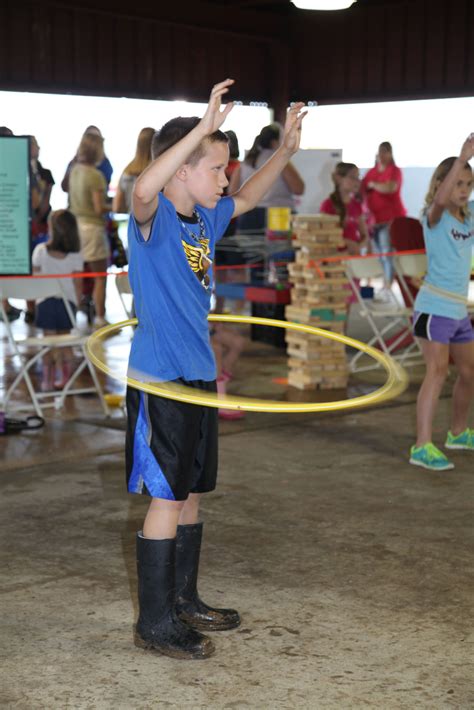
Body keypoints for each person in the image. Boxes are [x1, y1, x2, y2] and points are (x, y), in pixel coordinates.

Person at [126, 78, 306, 659]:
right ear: (183, 169)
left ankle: (183, 599)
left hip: (199, 375)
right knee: (167, 498)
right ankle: (153, 622)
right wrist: (201, 129)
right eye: (216, 167)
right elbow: (143, 185)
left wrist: (284, 153)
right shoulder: (150, 220)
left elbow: (251, 197)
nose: (225, 177)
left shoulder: (205, 220)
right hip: (161, 377)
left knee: (193, 491)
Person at [409, 135, 474, 471]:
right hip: (434, 310)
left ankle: (458, 433)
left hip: (458, 311)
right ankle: (422, 446)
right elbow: (441, 200)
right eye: (456, 183)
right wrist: (462, 157)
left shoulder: (470, 216)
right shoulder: (433, 217)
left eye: (467, 183)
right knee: (436, 373)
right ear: (441, 184)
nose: (462, 190)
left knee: (469, 371)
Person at [32, 210, 83, 391]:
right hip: (67, 304)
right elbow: (78, 283)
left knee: (48, 343)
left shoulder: (40, 251)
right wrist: (77, 303)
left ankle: (47, 379)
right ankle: (66, 378)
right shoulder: (76, 254)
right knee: (65, 341)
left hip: (45, 303)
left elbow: (35, 278)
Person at [230, 122, 305, 233]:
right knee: (280, 249)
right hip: (278, 213)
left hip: (248, 215)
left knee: (249, 249)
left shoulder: (246, 161)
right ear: (276, 141)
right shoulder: (279, 160)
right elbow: (298, 189)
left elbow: (232, 191)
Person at [68, 132, 110, 328]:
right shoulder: (95, 175)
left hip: (74, 227)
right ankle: (101, 317)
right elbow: (98, 207)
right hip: (92, 228)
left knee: (77, 276)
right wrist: (118, 207)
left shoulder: (74, 170)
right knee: (100, 277)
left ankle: (75, 313)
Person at [361, 141, 406, 298]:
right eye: (381, 151)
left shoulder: (395, 171)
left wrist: (374, 185)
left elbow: (390, 188)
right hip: (374, 221)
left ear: (391, 154)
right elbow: (361, 188)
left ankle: (388, 284)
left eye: (386, 151)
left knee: (387, 252)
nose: (383, 155)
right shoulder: (371, 172)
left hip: (390, 219)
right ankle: (383, 283)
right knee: (379, 254)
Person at [26, 136, 56, 323]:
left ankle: (42, 302)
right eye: (34, 144)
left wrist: (39, 216)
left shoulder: (45, 173)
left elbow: (46, 200)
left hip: (42, 224)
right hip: (25, 225)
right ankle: (30, 307)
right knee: (27, 265)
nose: (38, 147)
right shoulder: (19, 171)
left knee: (42, 264)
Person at [320, 162, 370, 256]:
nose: (357, 181)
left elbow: (365, 235)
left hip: (353, 257)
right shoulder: (327, 205)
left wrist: (358, 246)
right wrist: (347, 243)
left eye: (358, 177)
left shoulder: (356, 205)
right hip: (335, 258)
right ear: (339, 179)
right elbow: (325, 235)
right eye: (353, 177)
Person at [112, 127, 155, 214]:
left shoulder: (126, 172)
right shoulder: (158, 171)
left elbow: (117, 207)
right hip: (155, 223)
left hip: (132, 223)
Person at [61, 125, 113, 193]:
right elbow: (64, 187)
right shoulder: (74, 164)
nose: (92, 144)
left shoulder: (105, 164)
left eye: (95, 140)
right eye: (90, 139)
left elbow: (104, 188)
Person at [211, 322, 246, 420]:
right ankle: (219, 400)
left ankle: (220, 384)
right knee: (215, 349)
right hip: (189, 329)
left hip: (208, 327)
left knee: (238, 341)